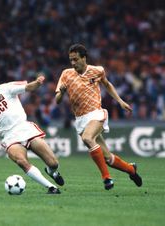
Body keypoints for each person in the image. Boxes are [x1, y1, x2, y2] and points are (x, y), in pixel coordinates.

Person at [55, 44, 142, 190]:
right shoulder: (66, 74)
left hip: (96, 113)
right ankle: (131, 170)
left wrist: (120, 101)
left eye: (76, 59)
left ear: (84, 58)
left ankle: (107, 178)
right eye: (71, 60)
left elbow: (107, 85)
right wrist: (62, 93)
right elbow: (57, 100)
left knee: (88, 138)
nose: (73, 63)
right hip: (80, 119)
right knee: (108, 158)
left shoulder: (97, 71)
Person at [0, 68, 64, 194]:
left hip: (25, 128)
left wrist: (37, 83)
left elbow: (28, 87)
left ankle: (51, 172)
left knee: (53, 163)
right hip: (9, 137)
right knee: (22, 161)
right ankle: (51, 187)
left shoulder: (5, 88)